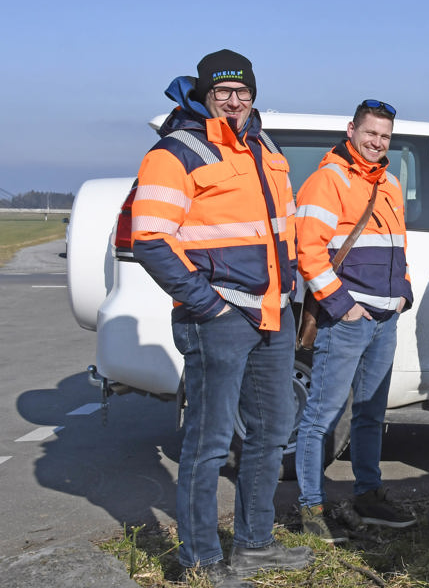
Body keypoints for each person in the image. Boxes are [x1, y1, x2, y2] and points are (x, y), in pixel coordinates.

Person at [130, 49, 313, 586]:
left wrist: (295, 292)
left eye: (244, 92)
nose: (235, 101)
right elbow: (151, 239)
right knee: (209, 444)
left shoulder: (263, 144)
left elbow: (283, 226)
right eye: (223, 92)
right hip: (219, 319)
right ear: (205, 94)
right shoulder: (176, 151)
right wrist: (208, 303)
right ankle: (201, 561)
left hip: (273, 316)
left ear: (254, 96)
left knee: (270, 433)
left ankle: (255, 544)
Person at [294, 99, 415, 542]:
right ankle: (311, 507)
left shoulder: (390, 183)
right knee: (321, 416)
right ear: (351, 130)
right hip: (347, 319)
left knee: (369, 413)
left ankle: (368, 496)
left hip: (385, 318)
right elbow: (308, 251)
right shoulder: (329, 180)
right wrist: (343, 305)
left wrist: (403, 293)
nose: (377, 142)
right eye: (370, 133)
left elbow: (398, 246)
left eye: (384, 136)